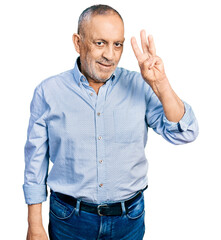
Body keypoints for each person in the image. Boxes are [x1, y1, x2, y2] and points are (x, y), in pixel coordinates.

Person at [23, 4, 199, 240]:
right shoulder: (48, 92)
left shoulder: (140, 85)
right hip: (69, 220)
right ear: (78, 42)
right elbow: (35, 162)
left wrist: (161, 84)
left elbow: (184, 133)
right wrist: (34, 225)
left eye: (118, 44)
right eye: (100, 43)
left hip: (129, 220)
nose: (110, 54)